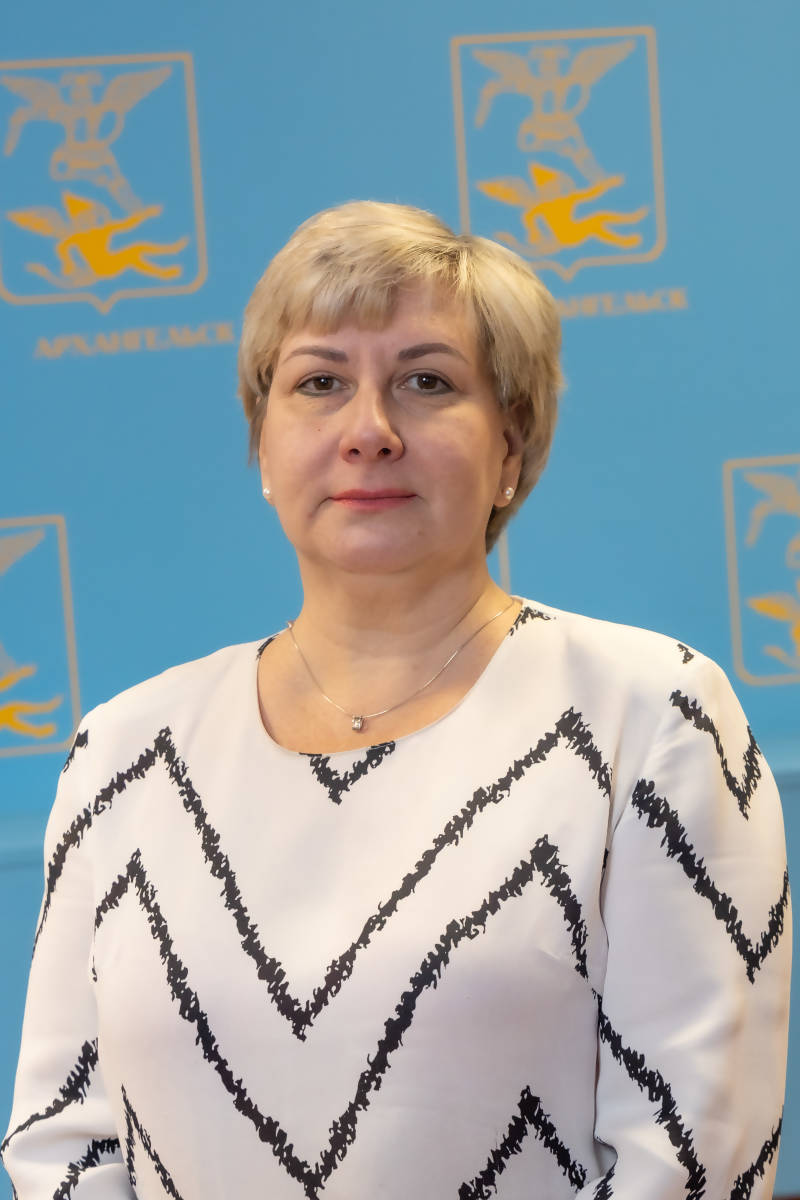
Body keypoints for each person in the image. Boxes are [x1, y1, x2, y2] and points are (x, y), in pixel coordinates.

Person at [1, 201, 791, 1199]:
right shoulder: (123, 750)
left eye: (426, 382)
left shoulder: (652, 714)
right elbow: (63, 1142)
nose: (368, 431)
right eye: (319, 383)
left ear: (510, 449)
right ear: (262, 447)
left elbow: (690, 1156)